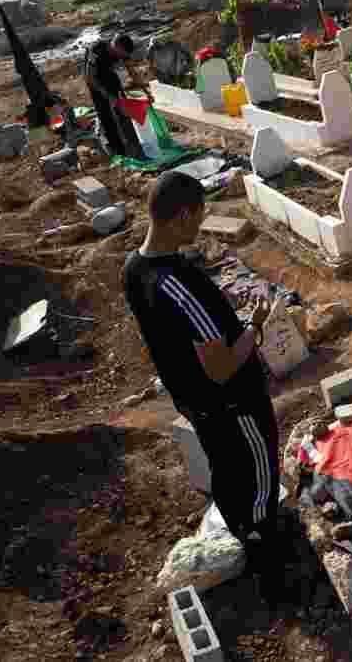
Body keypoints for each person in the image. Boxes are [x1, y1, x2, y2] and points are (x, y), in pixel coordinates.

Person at [122, 172, 285, 606]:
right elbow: (222, 367)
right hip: (233, 401)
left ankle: (238, 527)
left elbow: (177, 341)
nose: (201, 224)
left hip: (197, 404)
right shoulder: (177, 283)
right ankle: (265, 548)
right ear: (181, 216)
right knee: (260, 467)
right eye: (198, 216)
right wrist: (255, 326)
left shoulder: (135, 269)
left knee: (225, 466)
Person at [84, 33, 152, 158]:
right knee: (106, 114)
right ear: (116, 47)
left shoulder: (121, 51)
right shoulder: (97, 51)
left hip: (109, 75)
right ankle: (117, 150)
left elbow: (131, 71)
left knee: (122, 111)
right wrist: (110, 98)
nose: (122, 57)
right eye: (122, 55)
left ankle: (133, 146)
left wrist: (146, 92)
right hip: (94, 79)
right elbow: (93, 80)